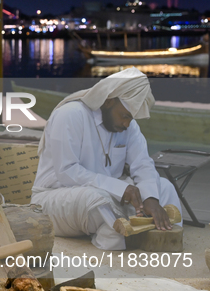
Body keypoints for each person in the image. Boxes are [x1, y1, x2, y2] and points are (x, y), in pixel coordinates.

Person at [31, 68, 182, 250]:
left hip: (109, 194)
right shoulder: (71, 114)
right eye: (125, 116)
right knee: (96, 200)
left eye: (131, 118)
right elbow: (67, 172)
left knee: (164, 187)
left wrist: (151, 198)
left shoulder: (129, 126)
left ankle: (154, 232)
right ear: (109, 101)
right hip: (57, 199)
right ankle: (121, 236)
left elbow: (142, 164)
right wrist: (120, 188)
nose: (127, 124)